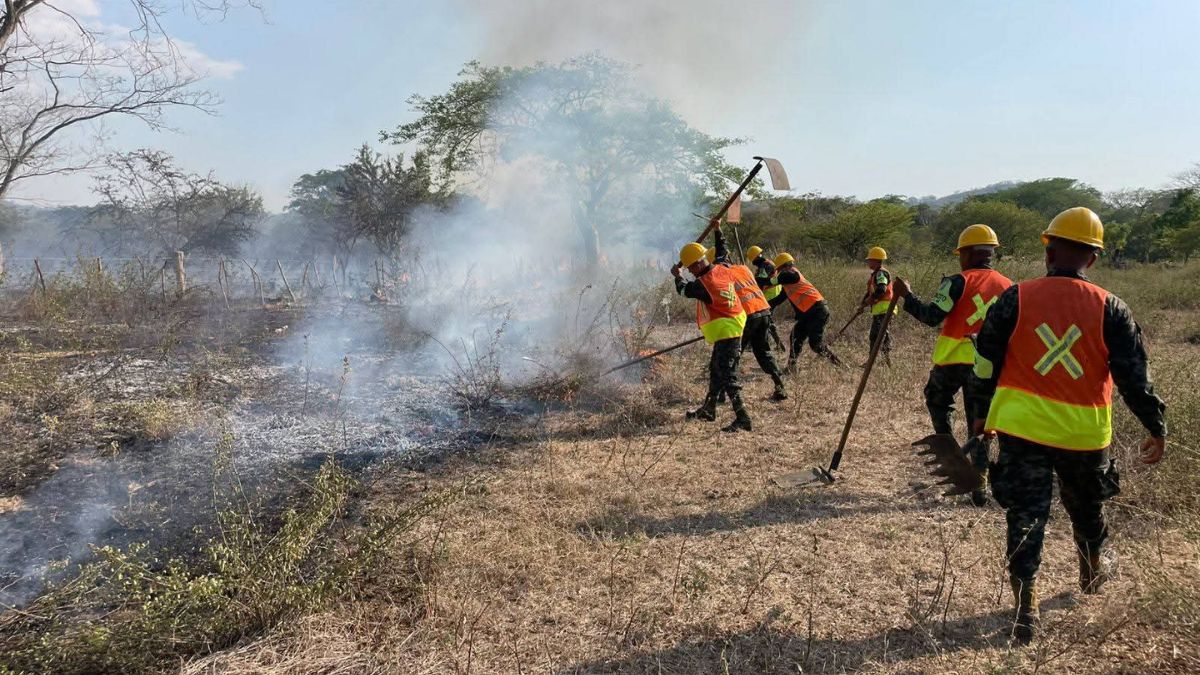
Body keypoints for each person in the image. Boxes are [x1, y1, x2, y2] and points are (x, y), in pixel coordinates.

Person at [968, 207, 1167, 644]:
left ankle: (1026, 607)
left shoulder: (1015, 298)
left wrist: (981, 414)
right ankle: (1093, 569)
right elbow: (1135, 376)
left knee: (1026, 516)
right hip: (1084, 434)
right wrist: (1156, 425)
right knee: (1088, 507)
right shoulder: (1112, 308)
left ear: (1048, 251)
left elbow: (984, 361)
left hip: (1022, 429)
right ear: (1092, 260)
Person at [892, 224, 1013, 505]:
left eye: (961, 254)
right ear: (991, 253)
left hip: (953, 361)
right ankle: (979, 484)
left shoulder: (956, 282)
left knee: (937, 401)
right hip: (987, 366)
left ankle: (950, 456)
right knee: (980, 423)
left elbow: (930, 316)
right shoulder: (1010, 287)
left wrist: (907, 295)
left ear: (968, 254)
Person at [672, 240, 753, 432]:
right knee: (716, 369)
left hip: (728, 331)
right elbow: (722, 253)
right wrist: (718, 231)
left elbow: (683, 290)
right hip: (731, 326)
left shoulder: (705, 284)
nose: (690, 271)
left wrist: (677, 275)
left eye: (691, 267)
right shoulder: (721, 268)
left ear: (699, 264)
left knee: (727, 375)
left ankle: (743, 419)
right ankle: (709, 409)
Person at [706, 231, 787, 400]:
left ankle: (721, 394)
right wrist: (718, 230)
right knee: (764, 352)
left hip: (748, 316)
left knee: (731, 355)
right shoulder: (743, 268)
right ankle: (780, 386)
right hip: (764, 312)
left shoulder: (721, 273)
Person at [769, 252, 842, 371]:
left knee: (815, 344)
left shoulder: (791, 274)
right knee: (795, 337)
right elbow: (778, 299)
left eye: (779, 269)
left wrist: (763, 282)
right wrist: (765, 305)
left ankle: (839, 365)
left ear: (783, 266)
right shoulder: (788, 283)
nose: (778, 272)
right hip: (808, 314)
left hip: (817, 311)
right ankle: (791, 367)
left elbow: (779, 279)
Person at [860, 247, 897, 362]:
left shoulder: (881, 274)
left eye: (870, 260)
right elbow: (870, 292)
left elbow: (881, 289)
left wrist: (869, 301)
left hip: (884, 310)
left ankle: (873, 361)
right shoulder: (876, 274)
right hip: (881, 310)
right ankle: (884, 361)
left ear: (876, 260)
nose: (868, 262)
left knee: (876, 336)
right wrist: (863, 304)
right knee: (880, 336)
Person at [746, 245, 786, 350]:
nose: (752, 262)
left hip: (770, 296)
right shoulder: (765, 264)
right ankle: (778, 345)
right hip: (771, 295)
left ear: (755, 257)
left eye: (752, 260)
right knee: (767, 319)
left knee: (763, 320)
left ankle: (765, 343)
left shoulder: (765, 266)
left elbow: (760, 282)